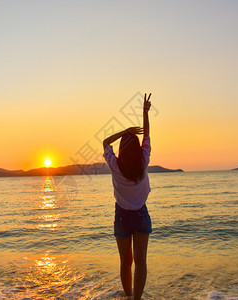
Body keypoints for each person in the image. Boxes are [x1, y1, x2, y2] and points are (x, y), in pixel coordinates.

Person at [103, 93, 152, 299]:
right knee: (141, 261)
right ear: (137, 149)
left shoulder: (115, 166)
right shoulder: (143, 161)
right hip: (140, 214)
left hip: (122, 216)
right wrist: (145, 112)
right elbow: (147, 136)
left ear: (122, 149)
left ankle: (127, 295)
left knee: (126, 261)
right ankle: (137, 299)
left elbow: (105, 142)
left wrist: (125, 131)